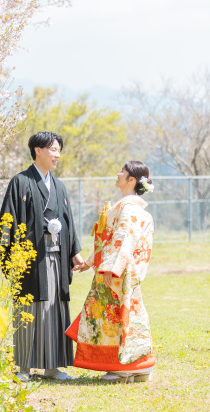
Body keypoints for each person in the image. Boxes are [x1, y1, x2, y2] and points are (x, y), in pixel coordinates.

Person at [0, 131, 87, 381]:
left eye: (59, 150)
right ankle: (24, 367)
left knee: (56, 308)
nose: (58, 155)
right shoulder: (21, 181)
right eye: (53, 149)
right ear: (38, 150)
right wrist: (11, 256)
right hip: (30, 258)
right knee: (31, 307)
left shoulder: (59, 186)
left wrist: (75, 253)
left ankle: (53, 366)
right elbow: (8, 219)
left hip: (57, 256)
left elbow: (69, 222)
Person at [65, 160, 156, 383]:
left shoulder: (129, 208)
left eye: (122, 172)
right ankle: (140, 367)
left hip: (117, 272)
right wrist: (89, 262)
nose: (118, 174)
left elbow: (122, 240)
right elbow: (109, 242)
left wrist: (110, 269)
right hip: (121, 269)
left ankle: (121, 368)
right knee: (129, 316)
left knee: (116, 318)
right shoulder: (128, 207)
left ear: (131, 180)